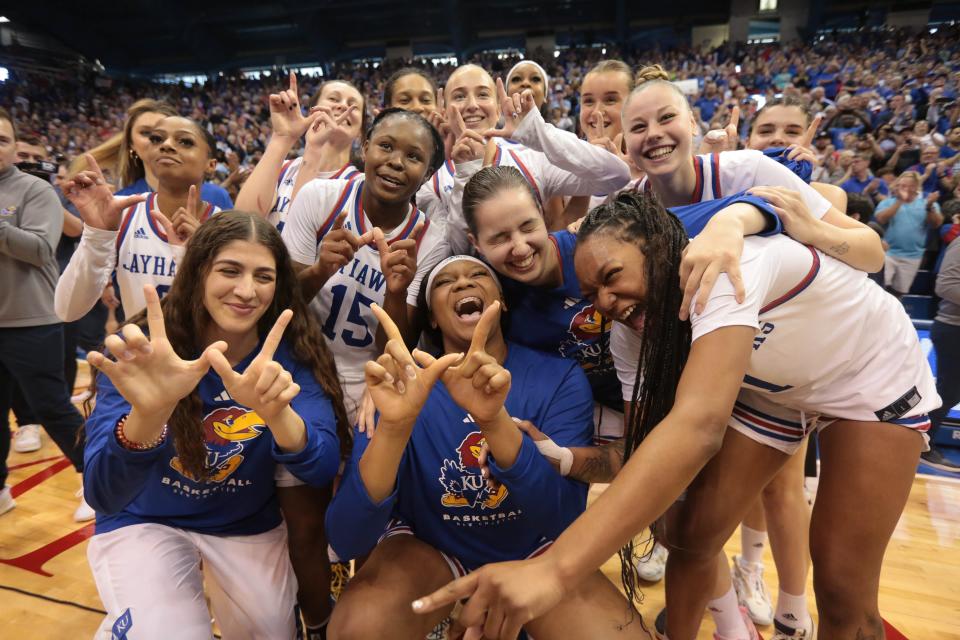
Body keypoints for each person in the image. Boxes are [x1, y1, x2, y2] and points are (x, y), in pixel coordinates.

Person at [415, 189, 940, 640]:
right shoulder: (625, 331)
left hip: (867, 378)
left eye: (612, 276)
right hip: (773, 392)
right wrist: (570, 461)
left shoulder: (731, 265)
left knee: (843, 589)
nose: (605, 301)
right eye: (591, 292)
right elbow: (643, 451)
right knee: (688, 534)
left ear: (661, 249)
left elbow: (700, 426)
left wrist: (555, 569)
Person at [325, 259, 649, 640]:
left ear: (503, 302)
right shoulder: (399, 384)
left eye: (478, 275)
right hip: (429, 546)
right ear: (431, 318)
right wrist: (394, 427)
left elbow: (561, 520)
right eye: (445, 281)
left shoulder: (558, 376)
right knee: (357, 629)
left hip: (534, 549)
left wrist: (495, 421)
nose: (463, 282)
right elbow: (346, 539)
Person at [83, 212, 348, 639]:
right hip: (145, 519)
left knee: (270, 631)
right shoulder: (148, 350)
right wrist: (148, 415)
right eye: (230, 270)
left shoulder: (293, 357)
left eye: (264, 276)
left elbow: (319, 468)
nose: (247, 290)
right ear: (199, 272)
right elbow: (102, 493)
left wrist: (277, 413)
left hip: (242, 523)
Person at [282, 108, 448, 421]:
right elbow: (281, 306)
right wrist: (319, 272)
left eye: (413, 157)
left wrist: (396, 293)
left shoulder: (431, 240)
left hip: (366, 382)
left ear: (427, 175)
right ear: (365, 146)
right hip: (297, 364)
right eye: (386, 146)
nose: (396, 162)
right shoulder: (319, 198)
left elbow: (397, 348)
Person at [421, 65, 631, 253]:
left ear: (497, 108)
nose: (472, 105)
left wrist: (537, 133)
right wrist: (468, 169)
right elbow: (455, 252)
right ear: (443, 110)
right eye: (459, 97)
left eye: (483, 95)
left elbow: (616, 176)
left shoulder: (532, 157)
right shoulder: (432, 183)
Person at [0, 108, 90, 520]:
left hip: (32, 320)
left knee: (51, 405)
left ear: (15, 148)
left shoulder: (35, 190)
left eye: (2, 140)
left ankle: (94, 478)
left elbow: (39, 249)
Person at [56, 115, 221, 322]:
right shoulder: (123, 211)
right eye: (157, 139)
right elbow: (68, 310)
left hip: (202, 353)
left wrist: (196, 254)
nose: (166, 145)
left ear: (211, 164)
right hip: (138, 350)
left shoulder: (224, 227)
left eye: (185, 141)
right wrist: (97, 235)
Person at [236, 72, 364, 231]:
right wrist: (281, 137)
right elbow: (242, 224)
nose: (344, 106)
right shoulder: (282, 168)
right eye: (333, 99)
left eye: (354, 105)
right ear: (312, 112)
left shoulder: (361, 184)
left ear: (361, 130)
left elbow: (300, 240)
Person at [922, 237, 960, 471]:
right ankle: (921, 446)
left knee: (951, 391)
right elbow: (944, 285)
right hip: (954, 328)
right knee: (949, 390)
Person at [875, 171, 943, 297]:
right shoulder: (887, 202)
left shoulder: (927, 203)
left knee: (899, 292)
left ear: (916, 187)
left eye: (908, 186)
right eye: (901, 185)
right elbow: (881, 219)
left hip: (913, 255)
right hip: (887, 252)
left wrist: (929, 206)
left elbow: (936, 224)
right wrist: (899, 201)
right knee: (879, 287)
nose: (904, 189)